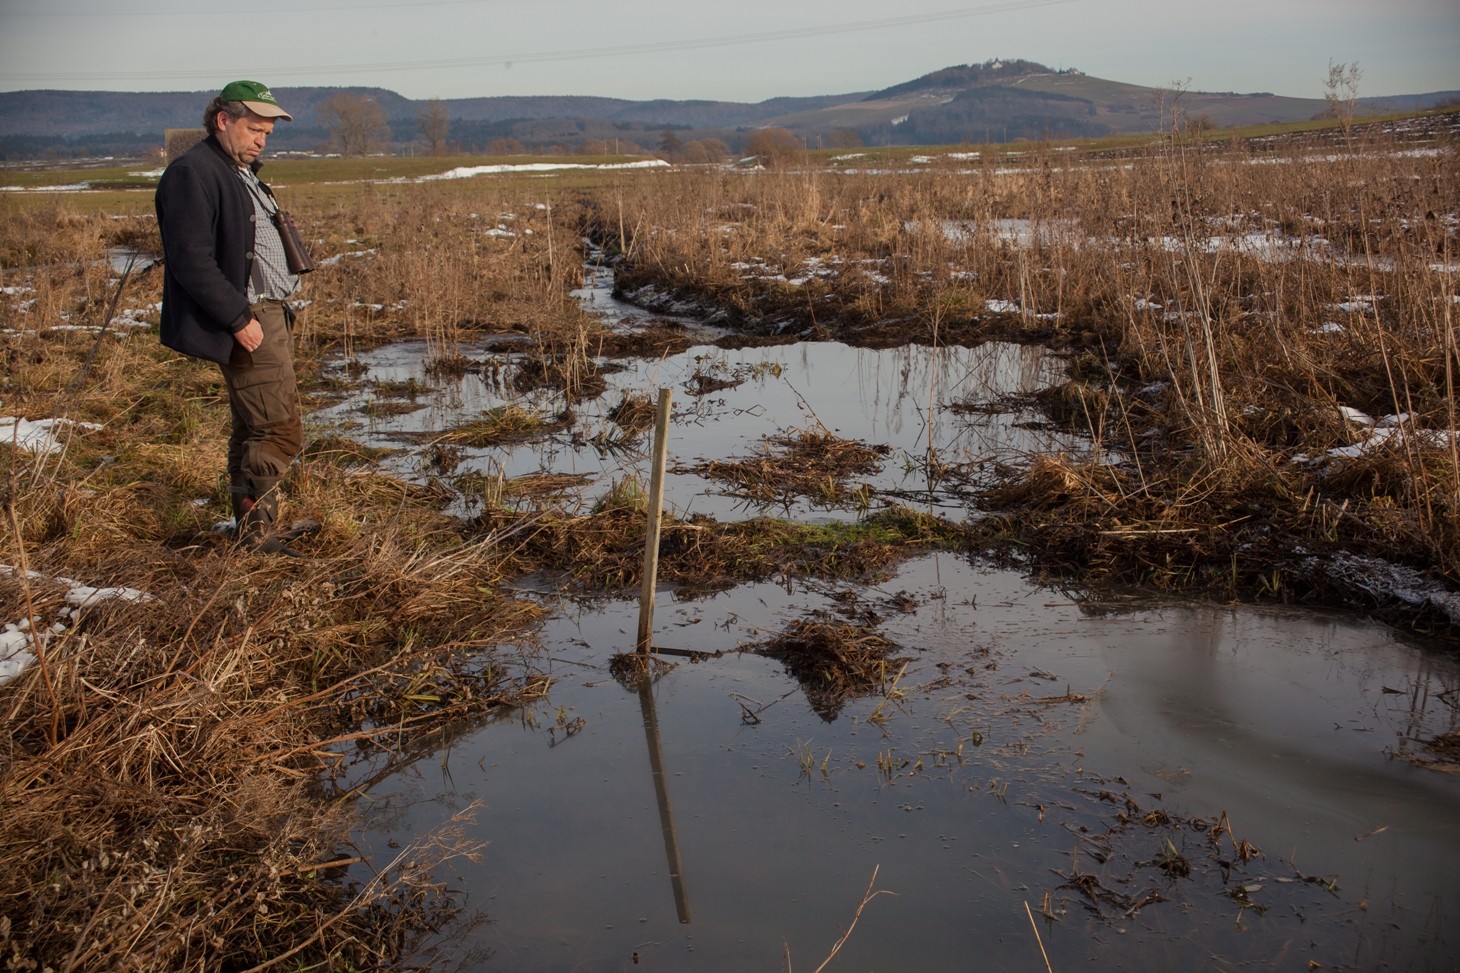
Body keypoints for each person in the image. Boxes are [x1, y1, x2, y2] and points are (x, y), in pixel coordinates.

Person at [155, 80, 308, 554]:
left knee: (252, 424)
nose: (261, 139)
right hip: (249, 316)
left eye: (267, 132)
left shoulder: (235, 168)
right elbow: (190, 260)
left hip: (270, 313)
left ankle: (250, 527)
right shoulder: (192, 172)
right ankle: (258, 534)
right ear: (223, 121)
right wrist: (238, 319)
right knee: (277, 427)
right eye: (253, 129)